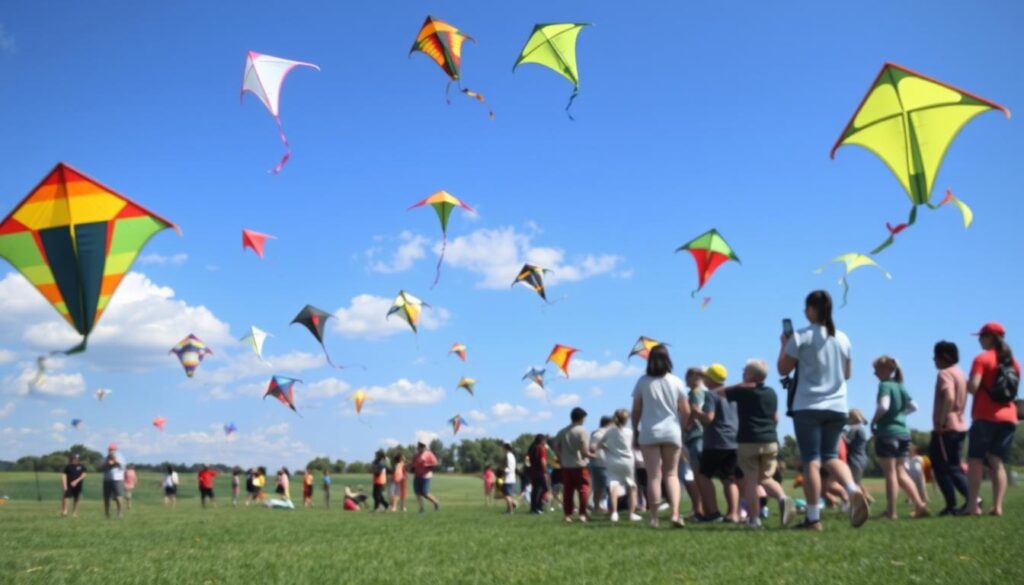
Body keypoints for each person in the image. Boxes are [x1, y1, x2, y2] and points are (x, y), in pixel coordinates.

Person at [778, 290, 869, 530]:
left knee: (811, 461)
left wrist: (784, 345)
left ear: (810, 309)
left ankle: (813, 517)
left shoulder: (801, 337)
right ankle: (852, 489)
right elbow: (847, 374)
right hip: (838, 406)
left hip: (808, 405)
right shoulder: (843, 338)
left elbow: (783, 369)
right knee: (830, 456)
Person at [718, 359, 797, 528]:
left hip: (748, 440)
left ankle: (754, 519)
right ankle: (783, 498)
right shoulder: (771, 393)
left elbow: (720, 392)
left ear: (751, 375)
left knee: (751, 481)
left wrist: (742, 384)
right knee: (766, 478)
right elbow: (775, 418)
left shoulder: (742, 391)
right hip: (769, 440)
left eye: (745, 371)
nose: (742, 373)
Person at [963, 322, 1020, 517]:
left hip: (985, 416)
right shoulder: (1015, 363)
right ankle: (998, 506)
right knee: (997, 461)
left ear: (989, 337)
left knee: (976, 460)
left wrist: (965, 381)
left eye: (981, 336)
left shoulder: (981, 359)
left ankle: (973, 506)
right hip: (1010, 417)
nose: (979, 340)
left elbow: (973, 387)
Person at [630, 345, 689, 528]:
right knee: (671, 475)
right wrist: (683, 428)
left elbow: (636, 410)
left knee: (653, 476)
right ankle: (675, 514)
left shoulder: (642, 382)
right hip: (672, 432)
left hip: (649, 432)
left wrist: (635, 429)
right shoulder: (677, 381)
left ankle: (654, 518)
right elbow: (685, 410)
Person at [870, 355, 928, 520]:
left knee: (890, 474)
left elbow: (884, 406)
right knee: (901, 472)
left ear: (885, 370)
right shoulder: (900, 386)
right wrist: (900, 415)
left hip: (887, 433)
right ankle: (919, 505)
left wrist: (874, 421)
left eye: (876, 370)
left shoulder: (884, 385)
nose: (875, 374)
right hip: (904, 433)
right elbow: (914, 406)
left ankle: (891, 511)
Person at [695, 364, 740, 524]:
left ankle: (713, 513)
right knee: (730, 478)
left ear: (711, 379)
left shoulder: (711, 395)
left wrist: (696, 412)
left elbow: (709, 418)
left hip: (716, 442)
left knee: (703, 476)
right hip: (734, 441)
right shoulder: (732, 394)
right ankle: (734, 513)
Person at [929, 341, 969, 515]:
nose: (934, 360)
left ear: (943, 357)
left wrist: (941, 421)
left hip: (947, 427)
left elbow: (950, 397)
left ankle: (966, 500)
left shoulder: (944, 373)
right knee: (953, 465)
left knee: (943, 467)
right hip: (960, 424)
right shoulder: (960, 373)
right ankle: (965, 501)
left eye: (935, 356)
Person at [598, 409, 643, 523]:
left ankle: (614, 512)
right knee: (632, 486)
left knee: (614, 485)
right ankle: (631, 514)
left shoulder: (609, 431)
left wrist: (607, 448)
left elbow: (599, 443)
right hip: (628, 461)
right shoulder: (630, 432)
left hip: (613, 460)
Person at [553, 407, 595, 523]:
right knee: (583, 490)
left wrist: (561, 457)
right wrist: (595, 456)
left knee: (568, 491)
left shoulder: (562, 431)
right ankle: (582, 514)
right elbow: (584, 451)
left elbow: (555, 447)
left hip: (566, 465)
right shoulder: (582, 431)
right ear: (581, 418)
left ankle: (568, 515)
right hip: (580, 465)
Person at [681, 367, 707, 521]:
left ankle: (700, 510)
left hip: (696, 435)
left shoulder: (694, 394)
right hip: (702, 435)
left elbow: (694, 412)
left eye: (688, 377)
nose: (686, 380)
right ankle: (699, 508)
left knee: (697, 474)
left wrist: (686, 426)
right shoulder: (704, 392)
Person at [844, 409, 873, 503]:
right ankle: (868, 498)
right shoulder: (860, 428)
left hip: (855, 459)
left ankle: (859, 502)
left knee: (853, 483)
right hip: (862, 459)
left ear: (852, 418)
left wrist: (841, 435)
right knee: (857, 482)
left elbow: (848, 442)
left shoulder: (854, 429)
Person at [589, 416, 613, 514]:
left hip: (595, 462)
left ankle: (596, 507)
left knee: (598, 487)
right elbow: (593, 448)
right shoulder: (602, 434)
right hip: (602, 462)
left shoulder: (595, 433)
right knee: (609, 487)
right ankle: (612, 508)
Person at [411, 442, 441, 513]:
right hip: (417, 475)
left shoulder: (429, 454)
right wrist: (411, 467)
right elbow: (413, 465)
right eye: (419, 447)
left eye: (422, 447)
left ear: (425, 447)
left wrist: (426, 464)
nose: (420, 448)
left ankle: (436, 502)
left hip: (426, 476)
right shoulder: (415, 456)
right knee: (417, 492)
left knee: (424, 492)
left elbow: (435, 463)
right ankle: (421, 509)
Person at [101, 443, 126, 519]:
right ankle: (107, 513)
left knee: (119, 496)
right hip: (107, 479)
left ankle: (120, 513)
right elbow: (100, 466)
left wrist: (116, 461)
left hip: (117, 479)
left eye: (112, 450)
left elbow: (123, 467)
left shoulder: (120, 457)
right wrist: (106, 464)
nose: (110, 451)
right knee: (106, 497)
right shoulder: (105, 458)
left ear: (116, 450)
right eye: (109, 449)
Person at [527, 435, 549, 514]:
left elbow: (528, 460)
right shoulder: (541, 448)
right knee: (543, 490)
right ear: (542, 440)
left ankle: (533, 508)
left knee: (535, 490)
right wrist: (545, 471)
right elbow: (542, 460)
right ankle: (538, 507)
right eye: (545, 440)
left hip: (533, 472)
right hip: (540, 472)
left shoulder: (532, 448)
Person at [61, 452, 86, 518]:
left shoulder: (81, 466)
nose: (74, 459)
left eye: (76, 458)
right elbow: (64, 476)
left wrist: (76, 481)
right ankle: (65, 511)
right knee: (66, 497)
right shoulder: (68, 467)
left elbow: (84, 475)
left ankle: (74, 513)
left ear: (78, 459)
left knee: (76, 499)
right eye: (73, 458)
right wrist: (64, 485)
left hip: (78, 486)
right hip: (69, 485)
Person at [502, 443, 518, 514]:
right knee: (509, 495)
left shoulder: (507, 456)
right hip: (512, 477)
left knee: (506, 495)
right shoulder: (512, 455)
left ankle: (511, 510)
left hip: (508, 477)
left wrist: (503, 471)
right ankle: (508, 509)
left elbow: (508, 467)